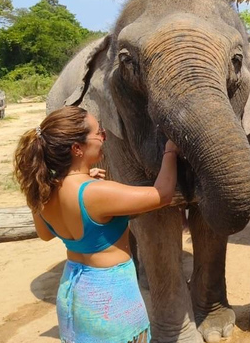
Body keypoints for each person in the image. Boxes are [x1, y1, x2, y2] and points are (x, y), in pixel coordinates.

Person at [13, 105, 178, 343]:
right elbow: (162, 194)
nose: (103, 136)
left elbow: (45, 235)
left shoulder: (44, 191)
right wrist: (170, 151)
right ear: (77, 148)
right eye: (99, 132)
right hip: (110, 300)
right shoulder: (96, 192)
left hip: (74, 297)